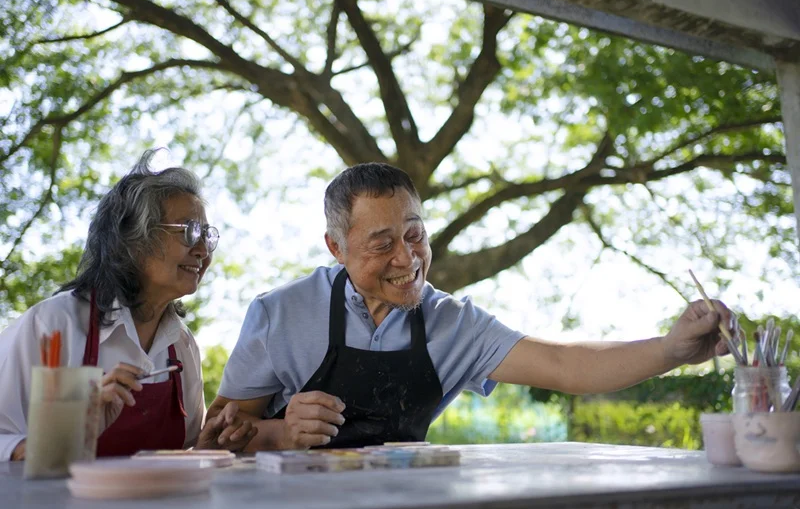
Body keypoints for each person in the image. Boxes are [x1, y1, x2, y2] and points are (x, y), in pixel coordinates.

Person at [208, 163, 734, 450]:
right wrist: (281, 433)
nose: (406, 259)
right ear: (336, 247)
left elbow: (567, 363)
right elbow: (214, 436)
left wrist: (672, 349)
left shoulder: (453, 323)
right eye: (381, 244)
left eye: (415, 235)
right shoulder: (280, 313)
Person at [0, 150, 256, 461]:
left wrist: (208, 450)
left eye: (207, 235)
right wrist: (67, 437)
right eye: (189, 232)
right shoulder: (52, 325)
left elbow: (181, 453)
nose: (203, 250)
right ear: (133, 239)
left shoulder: (183, 346)